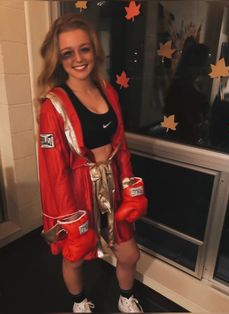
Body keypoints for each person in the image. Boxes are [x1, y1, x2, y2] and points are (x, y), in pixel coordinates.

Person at [37, 13, 147, 313]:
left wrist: (130, 187)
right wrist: (71, 220)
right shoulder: (53, 105)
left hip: (111, 185)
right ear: (58, 60)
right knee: (74, 255)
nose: (78, 59)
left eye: (84, 49)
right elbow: (54, 170)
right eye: (67, 53)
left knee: (129, 254)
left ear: (94, 50)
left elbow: (120, 145)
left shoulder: (106, 89)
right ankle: (79, 303)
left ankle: (125, 298)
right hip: (76, 190)